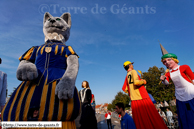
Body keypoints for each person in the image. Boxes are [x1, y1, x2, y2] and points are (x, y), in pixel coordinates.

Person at [122, 61, 168, 129]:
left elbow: (125, 89)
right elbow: (136, 82)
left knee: (141, 121)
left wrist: (132, 91)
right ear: (129, 65)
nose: (132, 65)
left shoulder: (127, 76)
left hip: (134, 100)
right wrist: (143, 81)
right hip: (142, 97)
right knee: (153, 117)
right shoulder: (133, 71)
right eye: (131, 64)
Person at [160, 52, 194, 129]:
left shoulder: (184, 67)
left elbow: (193, 78)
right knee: (183, 114)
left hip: (190, 92)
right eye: (165, 62)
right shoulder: (168, 73)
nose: (167, 62)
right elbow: (166, 83)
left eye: (169, 60)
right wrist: (163, 79)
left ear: (175, 60)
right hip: (179, 95)